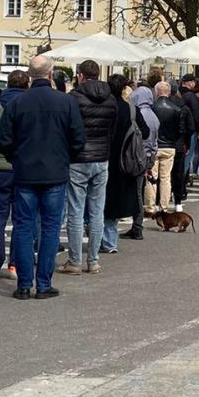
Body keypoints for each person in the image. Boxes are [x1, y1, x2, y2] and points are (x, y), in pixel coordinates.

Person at [0, 54, 85, 300]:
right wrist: (65, 157)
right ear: (50, 73)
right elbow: (79, 138)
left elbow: (2, 140)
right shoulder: (65, 102)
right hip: (55, 172)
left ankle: (24, 283)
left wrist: (16, 157)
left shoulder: (17, 103)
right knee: (50, 228)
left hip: (25, 172)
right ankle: (43, 283)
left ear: (30, 75)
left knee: (24, 227)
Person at [63, 59, 115, 275]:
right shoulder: (111, 98)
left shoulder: (73, 98)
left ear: (80, 76)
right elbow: (112, 129)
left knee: (75, 211)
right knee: (97, 211)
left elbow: (67, 127)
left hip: (78, 158)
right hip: (101, 157)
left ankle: (75, 261)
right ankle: (93, 261)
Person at [0, 70, 29, 280]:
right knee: (20, 219)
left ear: (8, 84)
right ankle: (14, 265)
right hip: (22, 166)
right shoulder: (29, 105)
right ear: (27, 85)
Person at [105, 75, 151, 250]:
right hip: (127, 159)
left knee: (101, 199)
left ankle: (103, 239)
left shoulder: (105, 108)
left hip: (104, 156)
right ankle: (110, 240)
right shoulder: (131, 109)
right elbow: (145, 133)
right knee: (120, 199)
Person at [125, 83, 159, 240]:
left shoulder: (137, 114)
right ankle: (137, 225)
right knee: (139, 192)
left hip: (135, 157)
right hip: (146, 157)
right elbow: (155, 142)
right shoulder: (153, 115)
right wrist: (150, 161)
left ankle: (136, 226)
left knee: (135, 192)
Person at [150, 81, 185, 215]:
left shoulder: (152, 107)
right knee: (166, 177)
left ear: (156, 92)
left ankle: (150, 205)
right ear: (169, 92)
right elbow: (180, 130)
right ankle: (163, 205)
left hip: (154, 145)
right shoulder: (176, 109)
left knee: (152, 177)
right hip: (169, 146)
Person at [178, 74, 199, 179]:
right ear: (189, 83)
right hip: (190, 130)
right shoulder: (191, 97)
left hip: (178, 129)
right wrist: (196, 129)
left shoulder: (177, 94)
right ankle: (183, 180)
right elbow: (196, 116)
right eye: (193, 81)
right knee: (187, 157)